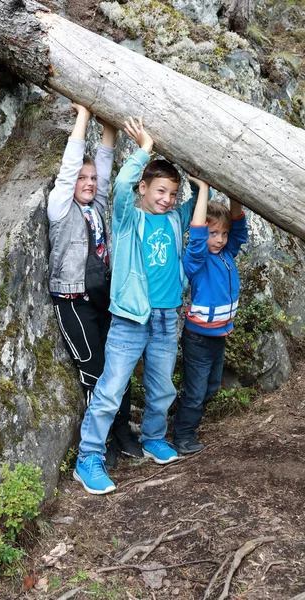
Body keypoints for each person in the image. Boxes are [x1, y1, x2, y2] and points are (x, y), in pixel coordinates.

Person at [73, 117, 208, 495]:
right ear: (144, 187)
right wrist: (144, 148)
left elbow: (198, 203)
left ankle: (152, 437)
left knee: (162, 387)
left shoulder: (174, 220)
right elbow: (117, 187)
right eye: (160, 191)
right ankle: (88, 459)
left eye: (172, 194)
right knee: (111, 389)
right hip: (131, 319)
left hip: (167, 318)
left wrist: (202, 185)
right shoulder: (129, 218)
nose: (167, 199)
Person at [47, 103, 142, 468]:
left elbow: (103, 168)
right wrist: (84, 116)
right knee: (96, 371)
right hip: (74, 301)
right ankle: (97, 446)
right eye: (80, 179)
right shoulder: (61, 208)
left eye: (90, 180)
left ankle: (121, 432)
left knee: (118, 367)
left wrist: (110, 129)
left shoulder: (96, 205)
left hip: (104, 298)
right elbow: (71, 166)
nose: (87, 183)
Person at [173, 185, 248, 455]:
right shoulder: (197, 260)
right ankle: (182, 436)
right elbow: (197, 238)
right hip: (198, 338)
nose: (219, 239)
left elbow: (239, 230)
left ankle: (185, 425)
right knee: (195, 391)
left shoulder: (227, 255)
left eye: (223, 234)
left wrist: (234, 196)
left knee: (211, 388)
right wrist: (203, 190)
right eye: (213, 233)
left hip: (219, 336)